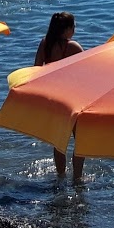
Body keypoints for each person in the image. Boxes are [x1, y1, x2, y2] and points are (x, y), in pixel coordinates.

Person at [35, 12, 84, 182]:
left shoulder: (44, 44)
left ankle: (61, 176)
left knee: (59, 142)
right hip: (74, 99)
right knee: (80, 142)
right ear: (67, 29)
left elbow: (35, 71)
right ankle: (77, 178)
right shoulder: (73, 47)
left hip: (54, 99)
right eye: (73, 27)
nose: (74, 30)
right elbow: (89, 74)